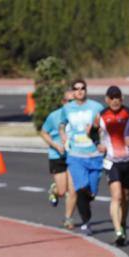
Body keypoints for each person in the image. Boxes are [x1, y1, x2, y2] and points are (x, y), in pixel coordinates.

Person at [59, 78, 105, 235]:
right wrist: (63, 135)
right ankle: (86, 222)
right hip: (76, 155)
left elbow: (103, 126)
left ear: (86, 90)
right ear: (72, 92)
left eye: (82, 88)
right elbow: (61, 124)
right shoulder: (67, 108)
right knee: (80, 188)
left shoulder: (96, 107)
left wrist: (97, 132)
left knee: (91, 192)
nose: (79, 91)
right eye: (76, 89)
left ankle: (86, 209)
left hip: (95, 155)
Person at [99, 85, 129, 246]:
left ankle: (122, 223)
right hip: (111, 161)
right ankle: (118, 231)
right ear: (107, 99)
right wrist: (98, 145)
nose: (115, 101)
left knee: (126, 197)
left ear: (121, 98)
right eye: (112, 98)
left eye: (117, 97)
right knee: (117, 196)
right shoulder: (101, 115)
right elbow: (93, 133)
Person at [40, 89, 77, 228]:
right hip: (57, 155)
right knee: (62, 191)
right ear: (63, 102)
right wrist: (55, 145)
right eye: (68, 101)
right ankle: (55, 190)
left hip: (74, 156)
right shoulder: (54, 116)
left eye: (74, 101)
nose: (71, 104)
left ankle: (68, 218)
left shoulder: (79, 117)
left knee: (73, 190)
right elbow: (44, 133)